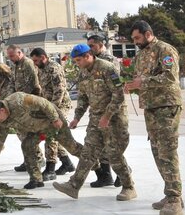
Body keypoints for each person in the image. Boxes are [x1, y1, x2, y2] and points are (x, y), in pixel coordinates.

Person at [53, 44, 136, 202]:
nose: (77, 63)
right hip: (95, 119)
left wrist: (107, 116)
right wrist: (77, 117)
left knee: (114, 155)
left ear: (88, 56)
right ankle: (74, 186)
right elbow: (83, 98)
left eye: (78, 60)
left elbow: (118, 94)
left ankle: (129, 186)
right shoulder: (83, 72)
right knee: (88, 153)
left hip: (115, 119)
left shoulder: (107, 68)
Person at [124, 20, 184, 215]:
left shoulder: (165, 50)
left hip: (167, 106)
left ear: (148, 33)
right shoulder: (141, 54)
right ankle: (170, 193)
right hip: (151, 108)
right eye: (133, 39)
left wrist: (143, 82)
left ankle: (175, 199)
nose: (135, 42)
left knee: (167, 151)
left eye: (137, 38)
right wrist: (133, 85)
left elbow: (170, 77)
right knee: (158, 152)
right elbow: (143, 82)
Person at [0, 93, 83, 190]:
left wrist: (55, 118)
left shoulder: (18, 100)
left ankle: (95, 165)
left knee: (72, 148)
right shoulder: (3, 121)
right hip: (37, 129)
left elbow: (44, 103)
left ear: (2, 110)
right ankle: (36, 179)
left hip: (52, 122)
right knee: (27, 145)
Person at [31, 47, 75, 179]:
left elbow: (59, 91)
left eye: (36, 60)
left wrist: (53, 110)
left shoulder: (53, 68)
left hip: (60, 105)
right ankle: (67, 163)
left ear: (43, 57)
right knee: (55, 135)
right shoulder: (41, 69)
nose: (35, 63)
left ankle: (50, 169)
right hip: (49, 106)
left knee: (51, 133)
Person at [85, 32, 120, 187]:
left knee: (112, 145)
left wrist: (109, 112)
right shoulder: (91, 63)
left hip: (110, 111)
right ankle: (106, 176)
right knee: (100, 147)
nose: (89, 49)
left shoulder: (110, 61)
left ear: (100, 44)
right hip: (97, 110)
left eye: (92, 45)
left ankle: (124, 173)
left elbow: (116, 88)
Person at [6, 45, 42, 174]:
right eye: (8, 56)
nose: (10, 59)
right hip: (19, 103)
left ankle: (37, 159)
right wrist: (10, 99)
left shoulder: (28, 64)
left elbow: (34, 84)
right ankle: (29, 159)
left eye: (12, 56)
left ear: (19, 53)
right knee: (22, 134)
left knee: (29, 134)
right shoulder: (15, 66)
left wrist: (26, 102)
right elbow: (12, 83)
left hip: (28, 103)